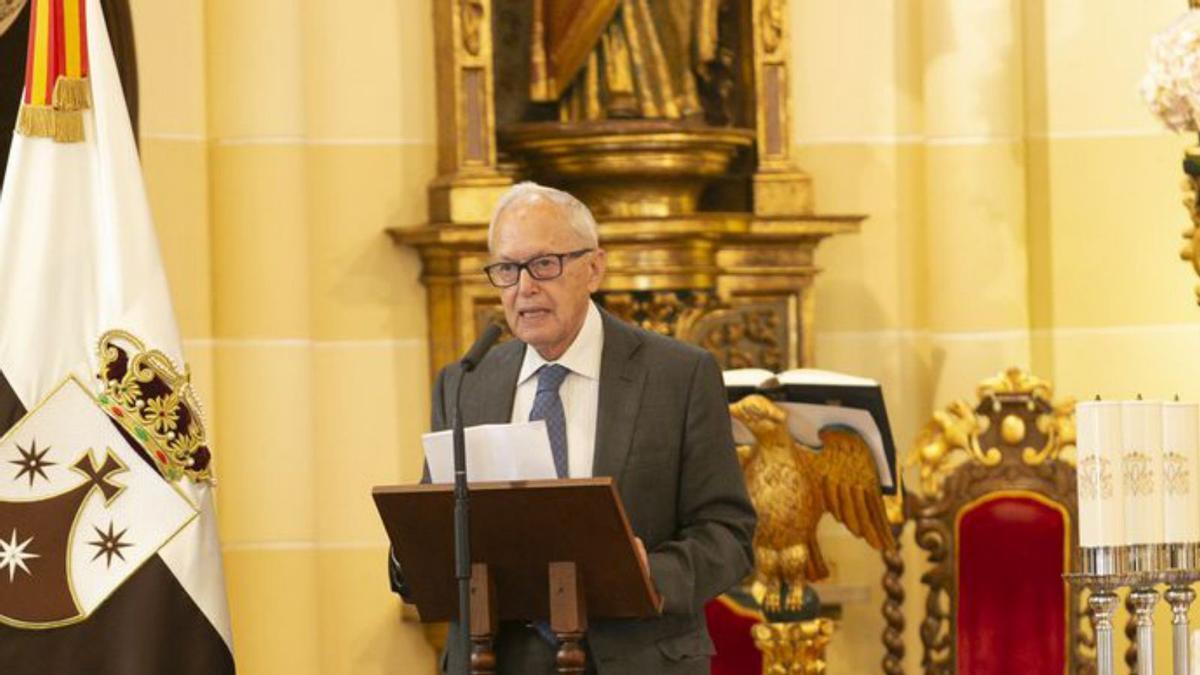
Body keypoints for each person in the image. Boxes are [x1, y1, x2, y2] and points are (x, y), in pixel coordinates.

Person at [393, 181, 756, 674]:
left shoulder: (678, 375)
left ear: (594, 268)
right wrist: (410, 554)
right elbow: (435, 532)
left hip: (636, 658)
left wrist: (650, 572)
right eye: (507, 269)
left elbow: (729, 535)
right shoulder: (466, 384)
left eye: (544, 264)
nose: (524, 287)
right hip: (496, 660)